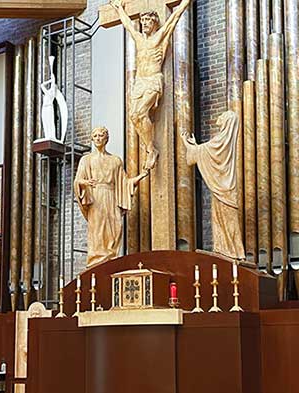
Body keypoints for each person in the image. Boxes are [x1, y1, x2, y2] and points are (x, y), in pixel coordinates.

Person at [110, 0, 192, 170]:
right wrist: (118, 8)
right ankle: (150, 148)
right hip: (139, 82)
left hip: (153, 80)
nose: (145, 23)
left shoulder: (160, 36)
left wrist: (185, 3)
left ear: (155, 22)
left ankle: (151, 150)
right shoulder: (139, 38)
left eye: (148, 20)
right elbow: (127, 25)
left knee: (140, 112)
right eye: (143, 21)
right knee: (134, 117)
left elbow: (175, 17)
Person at [74, 127, 149, 267]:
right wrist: (85, 182)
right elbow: (78, 180)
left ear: (106, 138)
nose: (97, 138)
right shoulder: (86, 159)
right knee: (97, 230)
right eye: (95, 136)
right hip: (96, 197)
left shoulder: (115, 161)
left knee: (114, 229)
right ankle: (96, 263)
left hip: (112, 197)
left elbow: (124, 182)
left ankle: (110, 261)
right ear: (92, 139)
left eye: (100, 135)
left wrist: (140, 176)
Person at [181, 111, 245, 260]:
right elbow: (203, 152)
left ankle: (232, 252)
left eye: (223, 116)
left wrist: (186, 143)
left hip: (223, 191)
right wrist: (194, 145)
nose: (219, 117)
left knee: (228, 223)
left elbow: (198, 154)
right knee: (224, 221)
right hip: (224, 190)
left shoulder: (222, 139)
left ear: (228, 121)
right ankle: (228, 250)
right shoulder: (226, 140)